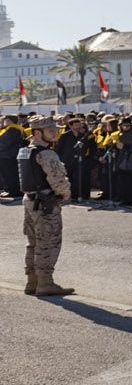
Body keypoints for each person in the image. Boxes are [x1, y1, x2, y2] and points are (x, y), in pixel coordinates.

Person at [18, 117, 74, 296]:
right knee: (48, 242)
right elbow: (57, 179)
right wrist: (64, 192)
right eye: (50, 131)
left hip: (30, 200)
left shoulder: (24, 151)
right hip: (45, 203)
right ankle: (45, 283)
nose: (55, 133)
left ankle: (32, 282)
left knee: (33, 242)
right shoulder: (47, 154)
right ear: (37, 133)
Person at [0, 114, 26, 198]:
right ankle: (9, 190)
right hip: (9, 155)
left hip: (8, 156)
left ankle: (13, 192)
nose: (3, 121)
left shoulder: (12, 129)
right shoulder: (13, 128)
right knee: (8, 174)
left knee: (10, 175)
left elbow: (4, 143)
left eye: (5, 119)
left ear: (10, 120)